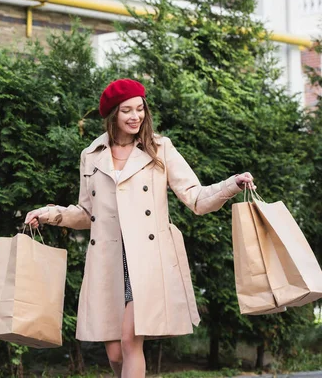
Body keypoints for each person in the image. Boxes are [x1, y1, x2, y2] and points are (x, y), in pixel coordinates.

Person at [24, 79, 255, 378]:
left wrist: (232, 185)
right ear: (112, 116)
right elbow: (86, 214)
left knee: (130, 340)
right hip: (108, 258)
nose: (136, 117)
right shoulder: (91, 155)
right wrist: (48, 214)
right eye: (126, 111)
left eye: (140, 109)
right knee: (116, 352)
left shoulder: (160, 148)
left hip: (146, 258)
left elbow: (196, 198)